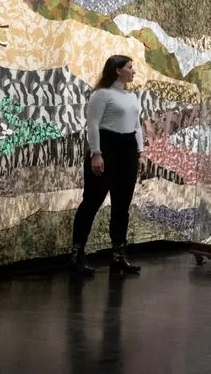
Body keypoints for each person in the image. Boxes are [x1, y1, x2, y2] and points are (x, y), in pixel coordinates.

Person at [69, 55, 145, 275]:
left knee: (122, 207)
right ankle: (77, 255)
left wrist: (140, 152)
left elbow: (136, 126)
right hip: (107, 147)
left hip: (128, 149)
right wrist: (96, 153)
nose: (134, 71)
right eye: (130, 67)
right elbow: (92, 125)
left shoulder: (131, 97)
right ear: (118, 70)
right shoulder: (102, 95)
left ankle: (119, 255)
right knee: (91, 202)